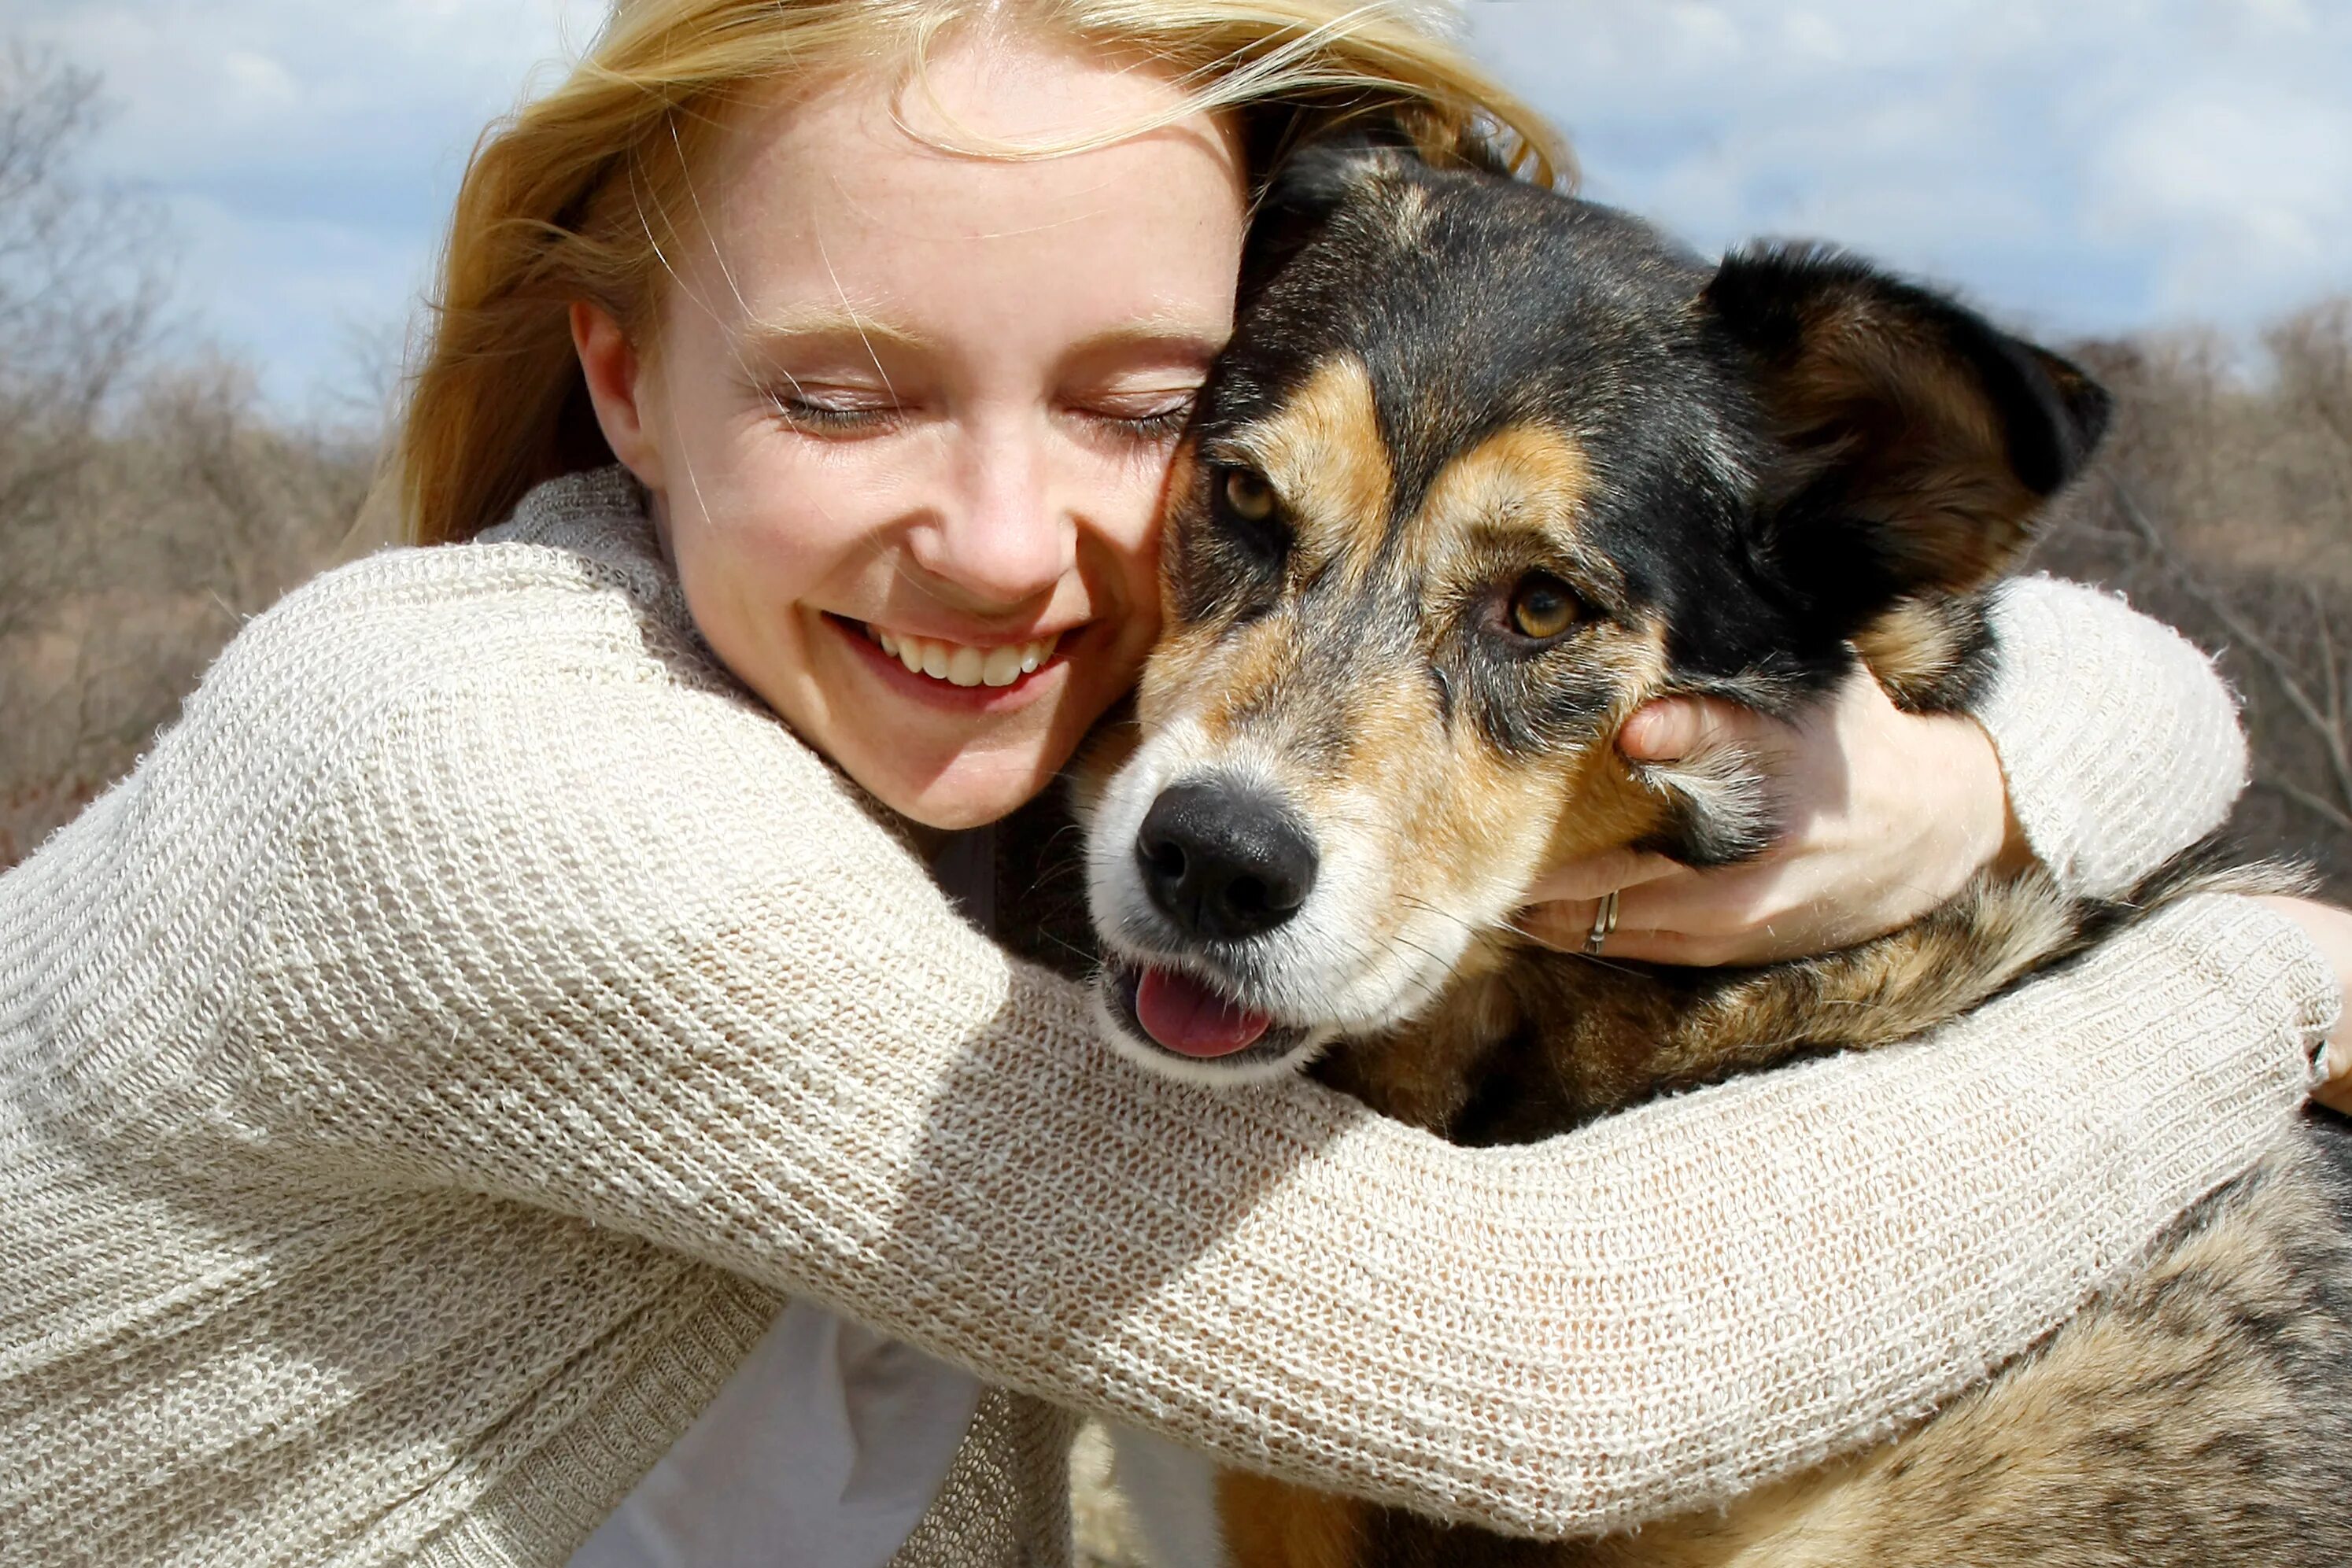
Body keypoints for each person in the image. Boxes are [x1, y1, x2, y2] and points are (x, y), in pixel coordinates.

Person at [2, 2, 2346, 1566]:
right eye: (843, 394)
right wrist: (2253, 982)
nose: (1014, 540)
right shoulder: (491, 784)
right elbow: (1560, 1364)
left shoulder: (954, 738)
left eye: (1134, 410)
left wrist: (1980, 790)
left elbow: (2087, 644)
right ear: (617, 378)